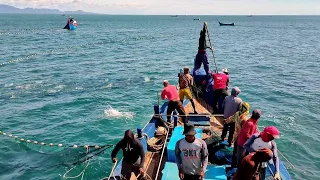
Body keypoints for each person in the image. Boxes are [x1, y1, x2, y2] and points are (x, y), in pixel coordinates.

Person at [224, 102, 250, 168]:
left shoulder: (237, 113)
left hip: (235, 136)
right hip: (242, 139)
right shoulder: (245, 119)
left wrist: (226, 121)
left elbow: (230, 119)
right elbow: (246, 131)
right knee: (241, 154)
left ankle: (233, 165)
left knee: (235, 152)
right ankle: (239, 168)